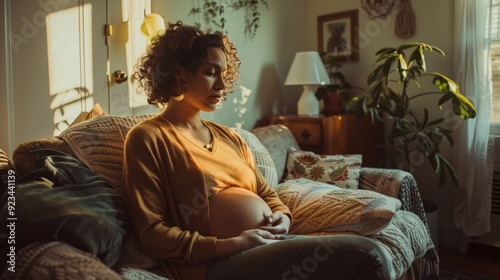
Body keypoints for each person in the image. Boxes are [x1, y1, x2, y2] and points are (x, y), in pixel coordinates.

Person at [123, 21, 390, 280]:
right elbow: (151, 233)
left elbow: (266, 194)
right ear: (179, 72)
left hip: (269, 244)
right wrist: (228, 244)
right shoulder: (148, 138)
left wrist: (284, 218)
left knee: (356, 256)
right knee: (367, 254)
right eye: (210, 72)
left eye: (224, 75)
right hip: (212, 263)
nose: (221, 86)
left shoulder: (230, 137)